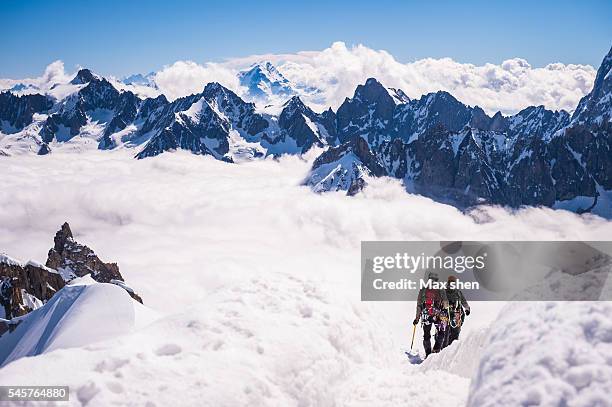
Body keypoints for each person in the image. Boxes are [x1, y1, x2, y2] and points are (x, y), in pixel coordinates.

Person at [413, 272, 448, 358]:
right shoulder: (441, 289)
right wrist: (444, 313)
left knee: (426, 335)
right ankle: (436, 350)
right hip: (438, 315)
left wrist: (417, 318)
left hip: (426, 315)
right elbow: (446, 303)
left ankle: (428, 354)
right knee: (441, 333)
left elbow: (419, 305)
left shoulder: (423, 290)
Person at [445, 275, 470, 347]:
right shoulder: (446, 292)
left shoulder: (457, 292)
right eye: (451, 282)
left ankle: (450, 350)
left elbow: (463, 301)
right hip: (450, 315)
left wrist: (467, 308)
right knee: (450, 334)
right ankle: (447, 350)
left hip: (455, 315)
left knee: (453, 334)